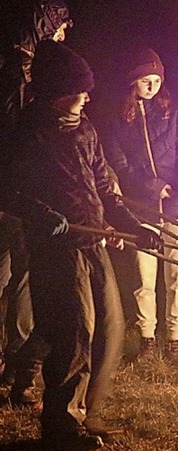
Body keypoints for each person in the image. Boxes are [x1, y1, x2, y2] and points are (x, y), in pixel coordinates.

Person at [3, 39, 162, 451]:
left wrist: (132, 224)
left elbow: (106, 187)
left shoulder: (84, 128)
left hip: (92, 238)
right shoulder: (29, 133)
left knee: (110, 327)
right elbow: (10, 190)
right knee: (75, 332)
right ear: (58, 91)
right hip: (58, 247)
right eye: (81, 88)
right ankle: (61, 425)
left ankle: (86, 414)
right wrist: (38, 214)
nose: (89, 95)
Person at [105, 48, 178, 366]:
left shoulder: (176, 114)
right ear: (132, 83)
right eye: (145, 80)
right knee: (143, 278)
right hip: (141, 209)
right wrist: (151, 187)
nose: (151, 86)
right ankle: (147, 339)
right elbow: (120, 166)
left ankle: (175, 340)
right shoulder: (120, 121)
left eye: (156, 80)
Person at [0, 0, 73, 390]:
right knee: (23, 271)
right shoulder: (24, 76)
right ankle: (18, 367)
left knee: (14, 269)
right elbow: (21, 133)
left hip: (18, 188)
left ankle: (16, 365)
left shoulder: (22, 66)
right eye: (59, 30)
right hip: (19, 190)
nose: (64, 37)